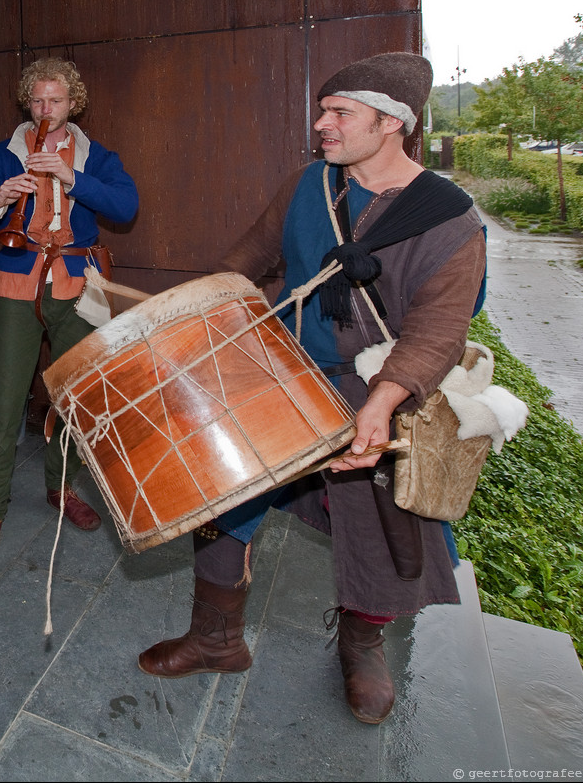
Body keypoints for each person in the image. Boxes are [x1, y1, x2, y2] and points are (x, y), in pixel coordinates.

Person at [137, 53, 487, 725]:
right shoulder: (308, 187)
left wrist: (384, 404)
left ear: (390, 123)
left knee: (381, 531)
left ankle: (362, 648)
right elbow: (249, 257)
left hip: (375, 388)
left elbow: (438, 333)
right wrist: (198, 312)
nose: (321, 123)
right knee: (222, 496)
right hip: (283, 375)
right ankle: (216, 640)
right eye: (324, 110)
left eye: (339, 112)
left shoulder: (450, 219)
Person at [0, 57, 139, 576]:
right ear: (26, 103)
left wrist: (73, 178)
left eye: (55, 101)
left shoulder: (96, 155)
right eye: (37, 101)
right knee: (6, 397)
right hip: (18, 283)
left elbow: (125, 207)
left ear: (72, 103)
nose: (46, 110)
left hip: (77, 285)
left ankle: (61, 488)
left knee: (74, 398)